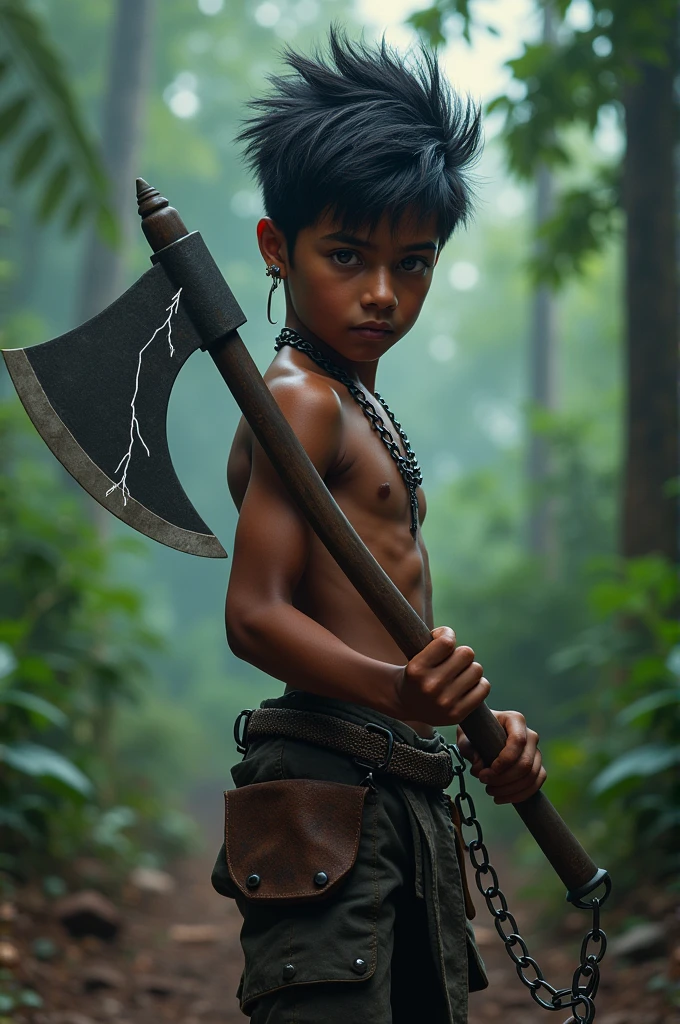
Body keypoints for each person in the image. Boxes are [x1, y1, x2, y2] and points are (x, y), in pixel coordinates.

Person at [211, 27, 546, 1024]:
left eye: (412, 262)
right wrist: (399, 689)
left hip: (399, 787)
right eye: (346, 254)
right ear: (278, 247)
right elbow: (254, 616)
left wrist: (478, 731)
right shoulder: (300, 400)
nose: (381, 293)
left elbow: (387, 634)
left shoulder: (355, 403)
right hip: (324, 783)